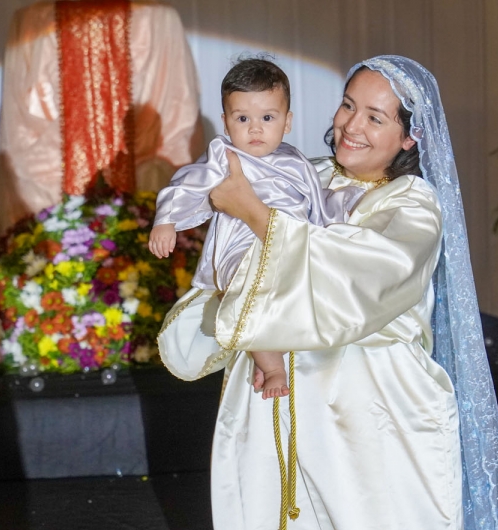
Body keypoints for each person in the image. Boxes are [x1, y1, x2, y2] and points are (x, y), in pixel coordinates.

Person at [158, 55, 498, 530]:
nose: (351, 125)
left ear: (409, 136)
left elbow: (357, 274)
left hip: (365, 413)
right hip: (271, 395)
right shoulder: (304, 173)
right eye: (348, 106)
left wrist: (254, 213)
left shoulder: (412, 204)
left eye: (375, 117)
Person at [149, 58, 361, 399]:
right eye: (243, 119)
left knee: (301, 292)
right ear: (225, 122)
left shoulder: (297, 161)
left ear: (287, 121)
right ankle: (271, 366)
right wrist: (166, 220)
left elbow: (315, 205)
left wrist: (340, 208)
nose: (255, 129)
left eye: (267, 118)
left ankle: (286, 344)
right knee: (249, 294)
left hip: (289, 245)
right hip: (241, 248)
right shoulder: (224, 155)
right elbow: (186, 184)